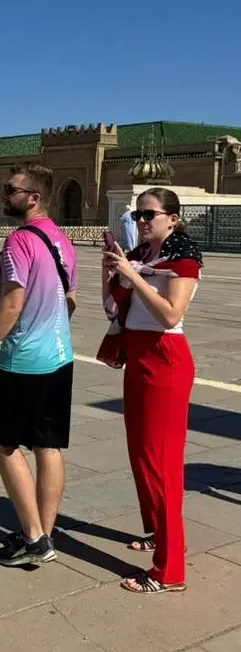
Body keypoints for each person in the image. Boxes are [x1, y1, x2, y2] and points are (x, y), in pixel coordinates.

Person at [0, 162, 77, 567]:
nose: (3, 195)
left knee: (3, 442)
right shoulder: (62, 241)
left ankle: (33, 537)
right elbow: (71, 301)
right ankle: (43, 533)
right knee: (48, 444)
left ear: (33, 198)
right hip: (60, 357)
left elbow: (11, 304)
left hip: (23, 362)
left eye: (11, 190)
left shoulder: (20, 242)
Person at [103, 188, 202, 594]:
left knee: (162, 462)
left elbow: (170, 313)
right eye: (137, 215)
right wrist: (112, 268)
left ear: (172, 219)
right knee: (141, 455)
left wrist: (132, 276)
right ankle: (158, 533)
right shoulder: (143, 257)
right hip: (139, 357)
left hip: (166, 360)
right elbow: (112, 308)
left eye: (150, 215)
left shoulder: (184, 259)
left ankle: (169, 571)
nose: (142, 221)